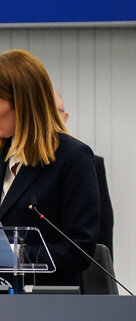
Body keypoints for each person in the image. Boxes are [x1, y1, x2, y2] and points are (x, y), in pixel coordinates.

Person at [0, 49, 100, 288]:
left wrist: (15, 254)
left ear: (23, 104)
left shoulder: (73, 157)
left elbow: (79, 249)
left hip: (46, 304)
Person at [54, 90, 114, 256]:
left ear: (65, 117)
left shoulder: (88, 161)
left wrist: (103, 279)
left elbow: (103, 234)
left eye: (54, 111)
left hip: (78, 269)